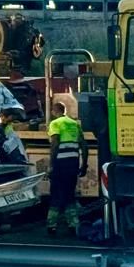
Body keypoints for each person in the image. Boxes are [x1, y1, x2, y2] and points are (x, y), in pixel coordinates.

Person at [45, 100, 85, 236]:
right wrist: (84, 164)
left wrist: (51, 165)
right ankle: (73, 224)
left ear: (54, 111)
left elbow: (55, 144)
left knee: (56, 193)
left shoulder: (55, 123)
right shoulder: (74, 124)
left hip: (60, 164)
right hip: (73, 164)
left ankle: (52, 225)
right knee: (69, 194)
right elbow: (84, 145)